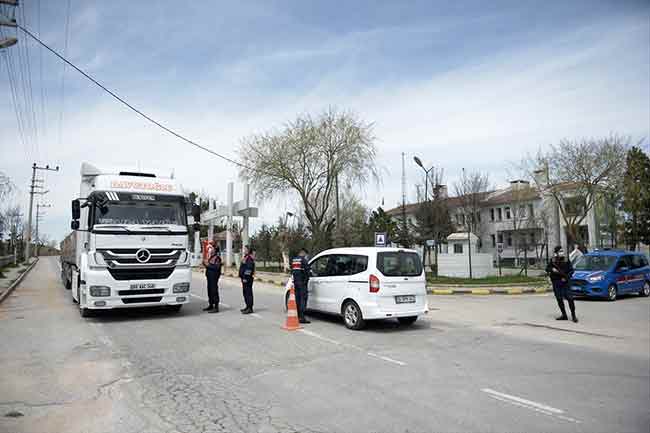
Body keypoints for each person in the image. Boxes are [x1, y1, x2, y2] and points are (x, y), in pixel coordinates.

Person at [546, 246, 578, 323]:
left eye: (562, 251)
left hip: (565, 282)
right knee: (559, 299)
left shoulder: (566, 260)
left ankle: (573, 316)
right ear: (556, 253)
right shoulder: (553, 260)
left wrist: (566, 278)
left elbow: (571, 271)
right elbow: (547, 268)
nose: (561, 253)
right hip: (556, 282)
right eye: (560, 251)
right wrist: (552, 270)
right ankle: (564, 315)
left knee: (570, 298)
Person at [291, 248, 311, 324]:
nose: (307, 257)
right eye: (306, 255)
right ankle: (302, 317)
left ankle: (298, 315)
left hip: (296, 282)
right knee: (303, 299)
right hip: (302, 283)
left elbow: (292, 270)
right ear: (304, 253)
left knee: (297, 299)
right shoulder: (303, 260)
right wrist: (306, 280)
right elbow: (307, 272)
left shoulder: (294, 260)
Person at [203, 240, 222, 313]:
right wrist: (205, 264)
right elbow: (209, 266)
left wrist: (208, 265)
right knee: (209, 291)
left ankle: (216, 307)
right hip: (209, 277)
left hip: (214, 278)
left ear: (215, 250)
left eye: (212, 249)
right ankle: (211, 305)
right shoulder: (211, 257)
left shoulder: (217, 258)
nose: (210, 250)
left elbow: (216, 268)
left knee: (214, 291)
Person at [239, 246, 256, 314]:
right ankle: (247, 306)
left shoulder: (249, 259)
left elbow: (249, 269)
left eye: (245, 249)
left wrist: (245, 278)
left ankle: (250, 308)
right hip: (244, 278)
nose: (244, 250)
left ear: (249, 251)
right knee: (245, 293)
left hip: (247, 279)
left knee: (248, 293)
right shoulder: (246, 257)